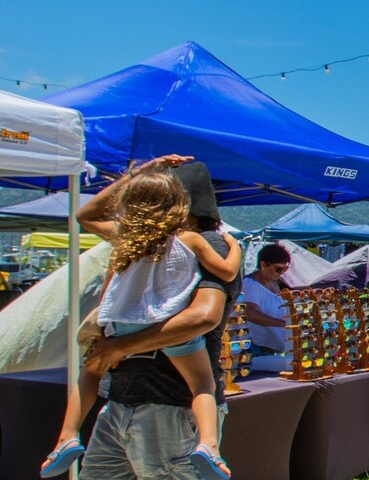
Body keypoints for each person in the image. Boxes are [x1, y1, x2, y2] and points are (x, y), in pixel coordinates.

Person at [50, 156, 238, 479]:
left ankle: (67, 436)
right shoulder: (164, 241)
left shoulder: (197, 241)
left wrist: (119, 346)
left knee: (90, 372)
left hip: (168, 406)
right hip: (122, 403)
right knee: (202, 384)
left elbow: (204, 316)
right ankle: (208, 445)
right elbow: (87, 217)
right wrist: (237, 249)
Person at [240, 245, 293, 355]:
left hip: (270, 350)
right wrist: (283, 323)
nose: (282, 273)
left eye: (285, 269)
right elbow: (248, 313)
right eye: (278, 269)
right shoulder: (250, 285)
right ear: (263, 265)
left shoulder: (273, 285)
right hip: (255, 350)